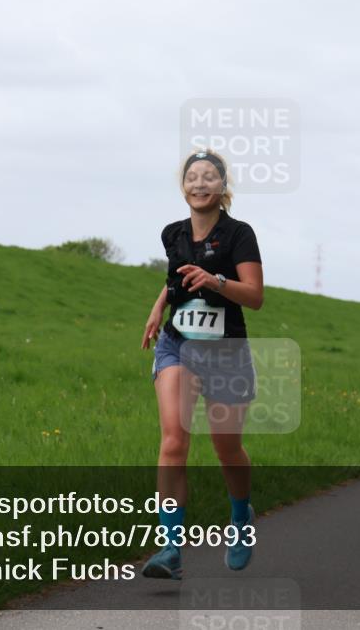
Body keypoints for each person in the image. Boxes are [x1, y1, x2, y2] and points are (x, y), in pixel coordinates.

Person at [140, 148, 264, 579]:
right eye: (192, 176)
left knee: (226, 447)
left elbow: (255, 296)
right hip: (178, 344)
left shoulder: (238, 234)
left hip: (225, 350)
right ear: (183, 185)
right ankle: (171, 548)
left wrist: (218, 281)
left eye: (209, 176)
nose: (199, 183)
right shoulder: (172, 233)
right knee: (174, 440)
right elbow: (176, 279)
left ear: (222, 187)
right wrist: (159, 307)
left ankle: (240, 518)